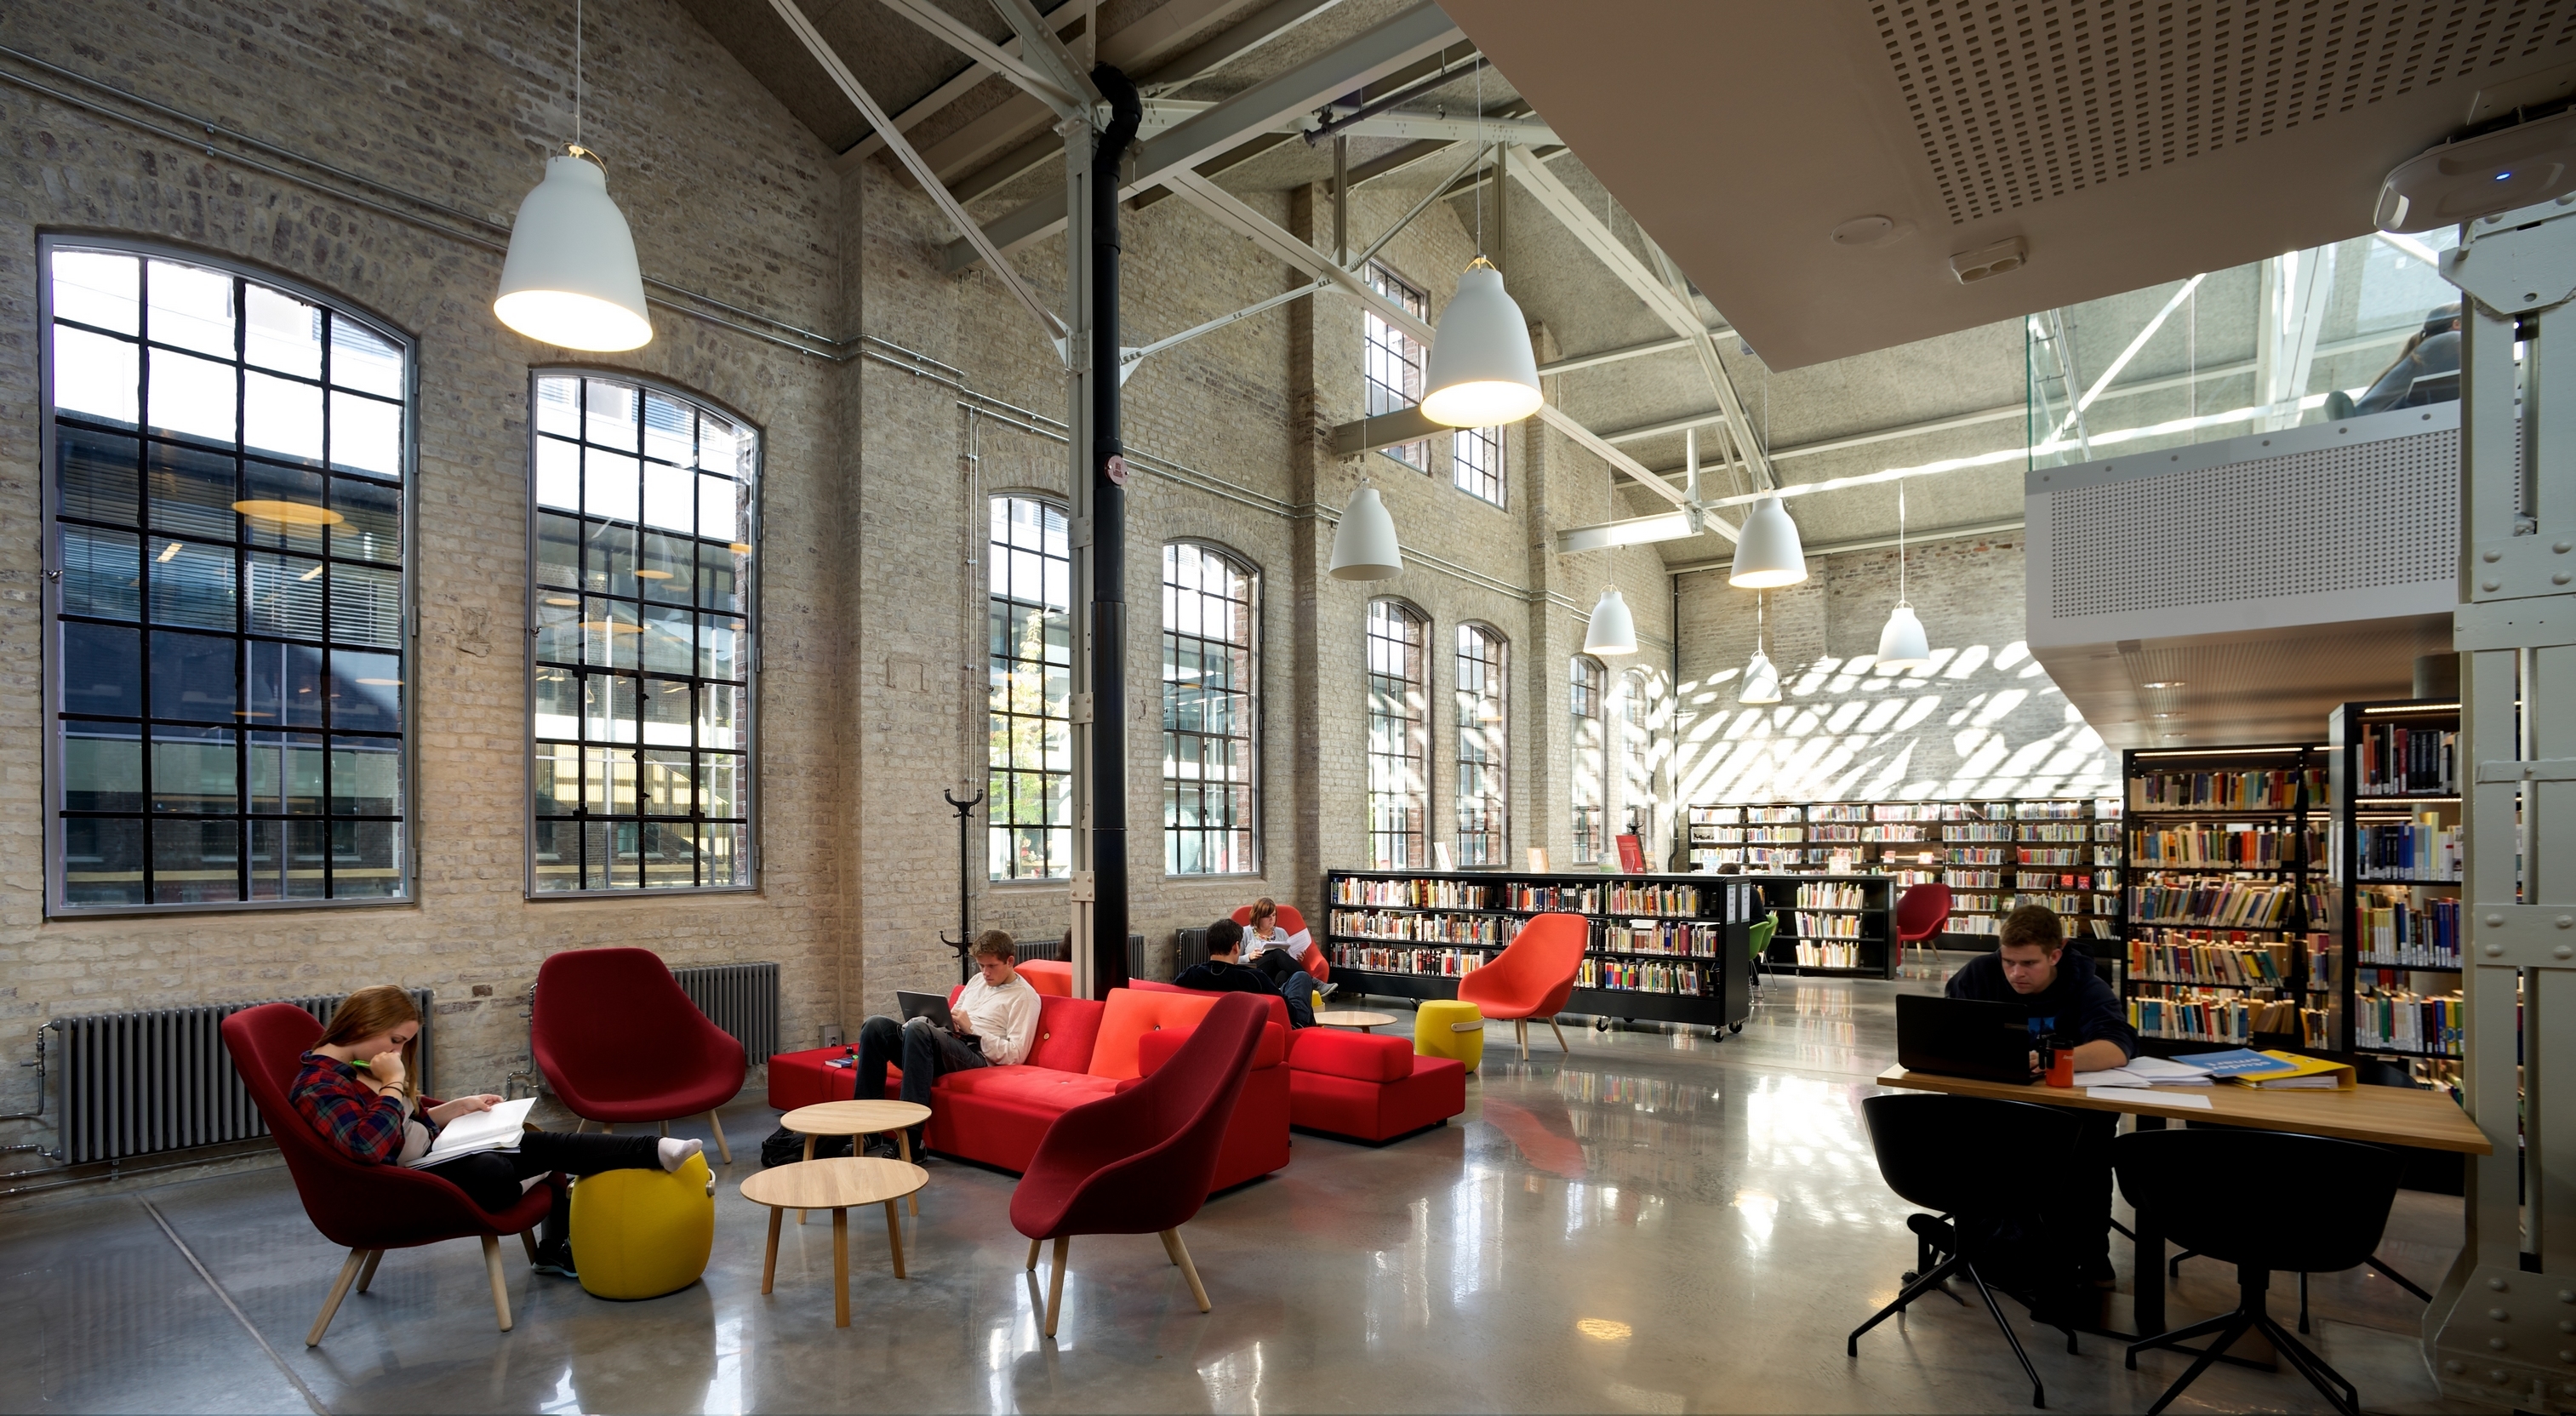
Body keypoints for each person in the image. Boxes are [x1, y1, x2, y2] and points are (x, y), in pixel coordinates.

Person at [292, 985, 702, 1281]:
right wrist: (393, 1084)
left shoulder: (364, 1067)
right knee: (496, 1169)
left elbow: (404, 1126)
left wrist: (454, 1109)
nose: (397, 1052)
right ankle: (548, 1205)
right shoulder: (319, 1084)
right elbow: (367, 1147)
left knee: (535, 1140)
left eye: (404, 1043)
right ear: (363, 1024)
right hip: (398, 1186)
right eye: (395, 1040)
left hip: (431, 1157)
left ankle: (655, 1149)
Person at [1944, 904, 2137, 1293]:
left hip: (2068, 1113)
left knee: (2088, 1155)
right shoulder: (1978, 974)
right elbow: (1945, 1030)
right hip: (1994, 1104)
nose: (2016, 973)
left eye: (2029, 963)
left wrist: (2052, 1059)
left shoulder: (2086, 984)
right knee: (1968, 1141)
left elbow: (2117, 1048)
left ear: (2055, 954)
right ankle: (1978, 1249)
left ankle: (2089, 1254)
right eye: (2009, 961)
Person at [850, 929, 1040, 1157]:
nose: (985, 973)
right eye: (981, 966)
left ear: (1010, 961)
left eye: (991, 966)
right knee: (876, 1026)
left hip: (975, 1055)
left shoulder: (1024, 997)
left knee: (918, 1031)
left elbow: (1015, 1054)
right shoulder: (977, 981)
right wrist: (933, 1020)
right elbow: (952, 1017)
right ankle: (868, 1131)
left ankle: (911, 1142)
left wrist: (972, 1029)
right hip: (947, 1042)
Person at [1177, 919, 1321, 1028]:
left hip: (1209, 1024)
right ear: (1236, 947)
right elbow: (1286, 1008)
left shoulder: (1190, 974)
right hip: (1285, 1024)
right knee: (1301, 977)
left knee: (1288, 979)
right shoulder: (1253, 978)